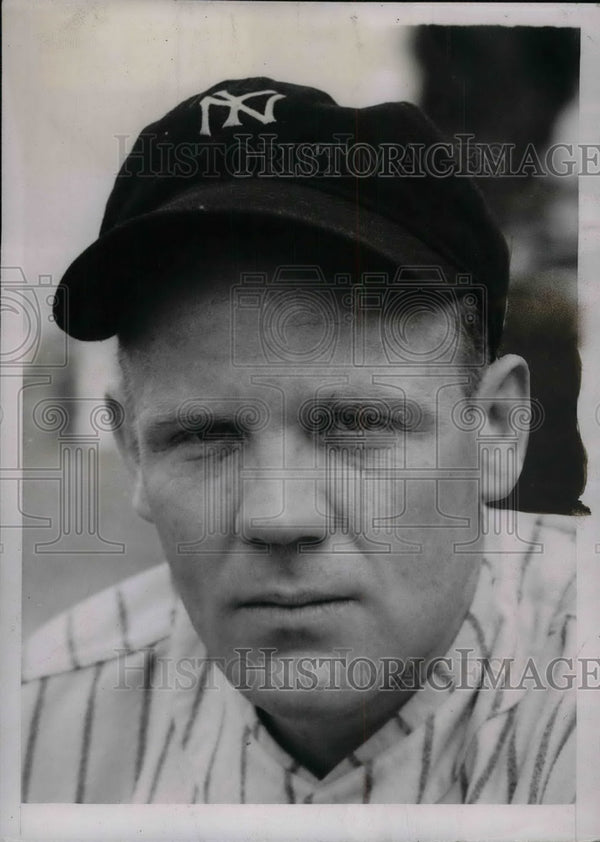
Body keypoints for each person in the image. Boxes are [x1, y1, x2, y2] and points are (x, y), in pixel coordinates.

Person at [22, 78, 575, 804]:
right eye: (202, 435)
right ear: (133, 449)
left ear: (497, 430)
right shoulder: (41, 720)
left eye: (357, 426)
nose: (277, 515)